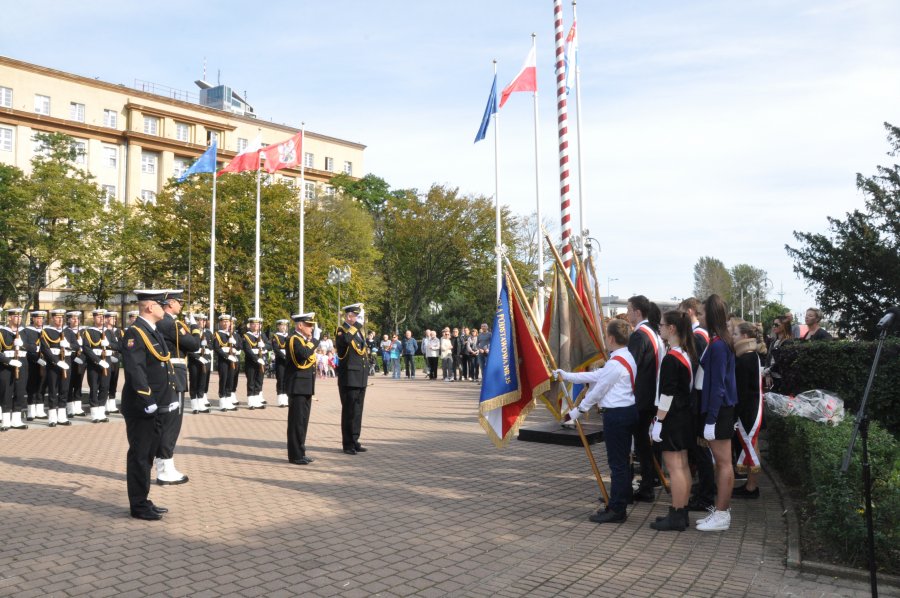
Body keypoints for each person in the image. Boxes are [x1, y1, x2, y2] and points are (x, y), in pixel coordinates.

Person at [557, 319, 638, 524]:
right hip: (625, 412)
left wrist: (577, 411)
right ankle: (621, 497)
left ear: (610, 338)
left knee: (617, 463)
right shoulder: (625, 356)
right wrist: (567, 375)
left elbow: (599, 389)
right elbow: (597, 375)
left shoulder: (616, 362)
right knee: (622, 461)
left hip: (617, 415)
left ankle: (617, 509)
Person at [121, 289, 175, 520]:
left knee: (149, 455)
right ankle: (139, 506)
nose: (166, 308)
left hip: (156, 404)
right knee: (140, 456)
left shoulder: (153, 332)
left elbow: (162, 366)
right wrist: (148, 399)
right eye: (161, 304)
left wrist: (167, 399)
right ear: (150, 307)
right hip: (142, 405)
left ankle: (144, 499)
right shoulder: (135, 333)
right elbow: (136, 371)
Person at [649, 310, 698, 531]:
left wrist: (659, 421)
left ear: (672, 328)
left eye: (661, 325)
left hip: (672, 418)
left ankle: (677, 514)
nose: (659, 328)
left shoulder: (671, 358)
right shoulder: (686, 353)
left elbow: (667, 394)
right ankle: (681, 510)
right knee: (683, 465)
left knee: (675, 467)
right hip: (683, 417)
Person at [695, 294, 739, 532]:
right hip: (718, 409)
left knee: (723, 463)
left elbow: (718, 385)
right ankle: (722, 510)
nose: (698, 316)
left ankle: (722, 514)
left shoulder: (720, 344)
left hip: (719, 410)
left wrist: (711, 418)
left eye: (701, 313)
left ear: (711, 316)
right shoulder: (718, 341)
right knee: (722, 463)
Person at [155, 290, 200, 485]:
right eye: (179, 302)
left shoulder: (165, 322)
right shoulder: (169, 323)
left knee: (167, 422)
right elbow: (194, 344)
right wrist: (195, 327)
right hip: (174, 374)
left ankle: (164, 465)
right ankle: (165, 468)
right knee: (172, 424)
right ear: (170, 303)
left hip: (169, 373)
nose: (181, 305)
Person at [679, 297, 716, 512]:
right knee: (699, 450)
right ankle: (704, 488)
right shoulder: (700, 335)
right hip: (698, 398)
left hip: (700, 400)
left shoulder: (699, 336)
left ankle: (706, 495)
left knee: (702, 450)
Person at [626, 295, 663, 501]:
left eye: (629, 309)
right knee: (643, 445)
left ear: (638, 312)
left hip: (639, 398)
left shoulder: (639, 335)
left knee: (639, 445)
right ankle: (647, 483)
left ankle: (642, 486)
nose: (628, 313)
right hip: (651, 397)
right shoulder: (655, 332)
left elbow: (630, 367)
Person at [732, 321, 765, 499]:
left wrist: (734, 413)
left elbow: (741, 390)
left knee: (752, 447)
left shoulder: (746, 359)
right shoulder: (751, 356)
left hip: (748, 410)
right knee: (752, 446)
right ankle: (750, 485)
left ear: (745, 337)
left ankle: (752, 488)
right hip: (750, 408)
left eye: (735, 334)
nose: (733, 338)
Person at [285, 312, 319, 465]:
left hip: (305, 386)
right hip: (297, 386)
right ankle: (295, 455)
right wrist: (315, 342)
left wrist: (311, 341)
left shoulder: (304, 340)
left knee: (303, 421)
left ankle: (301, 451)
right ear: (300, 325)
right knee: (296, 422)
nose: (311, 328)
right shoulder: (294, 339)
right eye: (308, 325)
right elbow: (303, 355)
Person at [335, 304, 369, 455]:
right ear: (349, 316)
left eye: (358, 316)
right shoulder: (341, 330)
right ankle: (347, 444)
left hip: (360, 376)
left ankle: (355, 440)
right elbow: (346, 342)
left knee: (357, 410)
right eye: (355, 316)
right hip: (349, 377)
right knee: (349, 410)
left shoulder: (358, 331)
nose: (357, 318)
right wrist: (357, 325)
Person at [39, 308, 72, 427]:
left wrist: (68, 345)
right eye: (57, 317)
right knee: (53, 390)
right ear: (52, 318)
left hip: (66, 362)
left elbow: (77, 345)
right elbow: (45, 349)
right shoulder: (46, 331)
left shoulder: (68, 331)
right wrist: (56, 362)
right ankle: (52, 417)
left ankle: (62, 416)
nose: (60, 319)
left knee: (64, 389)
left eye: (61, 317)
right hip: (53, 364)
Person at [81, 309, 111, 423]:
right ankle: (94, 413)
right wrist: (98, 361)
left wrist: (109, 344)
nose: (101, 319)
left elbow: (117, 345)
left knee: (105, 387)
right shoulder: (88, 332)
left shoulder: (108, 332)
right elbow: (86, 349)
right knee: (94, 388)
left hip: (106, 363)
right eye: (98, 317)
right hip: (94, 364)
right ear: (94, 318)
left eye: (103, 317)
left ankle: (101, 412)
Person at [0, 308, 29, 431]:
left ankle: (16, 420)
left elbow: (33, 348)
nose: (19, 319)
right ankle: (5, 421)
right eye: (16, 316)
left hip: (22, 363)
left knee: (20, 391)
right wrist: (8, 361)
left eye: (20, 316)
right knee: (6, 391)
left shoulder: (25, 332)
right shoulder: (2, 332)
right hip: (6, 365)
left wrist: (22, 344)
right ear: (10, 318)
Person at [22, 310, 48, 421]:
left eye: (41, 318)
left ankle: (40, 410)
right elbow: (24, 345)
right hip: (32, 362)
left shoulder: (45, 331)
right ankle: (31, 411)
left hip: (45, 362)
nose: (40, 320)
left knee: (42, 386)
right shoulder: (26, 331)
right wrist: (36, 351)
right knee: (31, 386)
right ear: (33, 319)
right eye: (37, 318)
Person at [187, 313, 213, 414]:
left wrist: (206, 349)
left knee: (202, 382)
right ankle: (194, 406)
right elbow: (188, 349)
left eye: (203, 320)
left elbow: (211, 346)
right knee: (194, 382)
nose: (201, 322)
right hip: (194, 361)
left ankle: (201, 403)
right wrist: (198, 357)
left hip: (205, 360)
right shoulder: (190, 332)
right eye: (199, 320)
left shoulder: (208, 333)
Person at [241, 316, 269, 410]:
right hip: (251, 362)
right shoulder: (247, 336)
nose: (256, 326)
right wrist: (257, 359)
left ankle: (257, 400)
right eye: (254, 324)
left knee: (259, 381)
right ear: (250, 325)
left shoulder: (262, 335)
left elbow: (269, 345)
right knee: (251, 381)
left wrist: (264, 346)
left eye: (258, 324)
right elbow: (247, 350)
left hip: (261, 361)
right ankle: (251, 401)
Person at [213, 314, 239, 411]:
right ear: (220, 323)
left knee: (230, 380)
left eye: (227, 321)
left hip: (232, 360)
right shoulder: (218, 334)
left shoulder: (232, 334)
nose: (225, 323)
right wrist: (227, 355)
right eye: (223, 321)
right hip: (223, 361)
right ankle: (222, 401)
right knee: (223, 379)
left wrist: (234, 344)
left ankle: (228, 400)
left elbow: (239, 347)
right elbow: (216, 348)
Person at [65, 310, 87, 418]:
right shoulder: (65, 331)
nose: (76, 320)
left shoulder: (83, 331)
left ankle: (78, 407)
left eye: (77, 318)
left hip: (81, 359)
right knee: (69, 384)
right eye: (73, 318)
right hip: (70, 358)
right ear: (68, 320)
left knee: (78, 383)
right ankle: (69, 408)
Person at [764, 317, 792, 392]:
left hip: (782, 379)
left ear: (784, 325)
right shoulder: (773, 341)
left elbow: (782, 361)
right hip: (771, 377)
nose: (774, 326)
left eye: (776, 324)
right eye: (773, 324)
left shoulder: (788, 342)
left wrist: (767, 371)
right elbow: (768, 358)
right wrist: (767, 375)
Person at [104, 311, 123, 414]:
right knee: (105, 382)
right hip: (106, 358)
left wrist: (111, 345)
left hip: (115, 358)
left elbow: (120, 346)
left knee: (114, 381)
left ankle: (112, 403)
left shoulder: (118, 331)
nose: (115, 320)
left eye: (115, 318)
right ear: (106, 319)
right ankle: (105, 404)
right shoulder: (103, 331)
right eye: (112, 318)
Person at [271, 319, 290, 407]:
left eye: (285, 326)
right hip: (281, 360)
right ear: (278, 326)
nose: (284, 327)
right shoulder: (275, 336)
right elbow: (276, 349)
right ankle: (280, 399)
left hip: (288, 361)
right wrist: (285, 357)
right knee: (281, 379)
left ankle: (286, 397)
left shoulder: (289, 336)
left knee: (287, 380)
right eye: (282, 325)